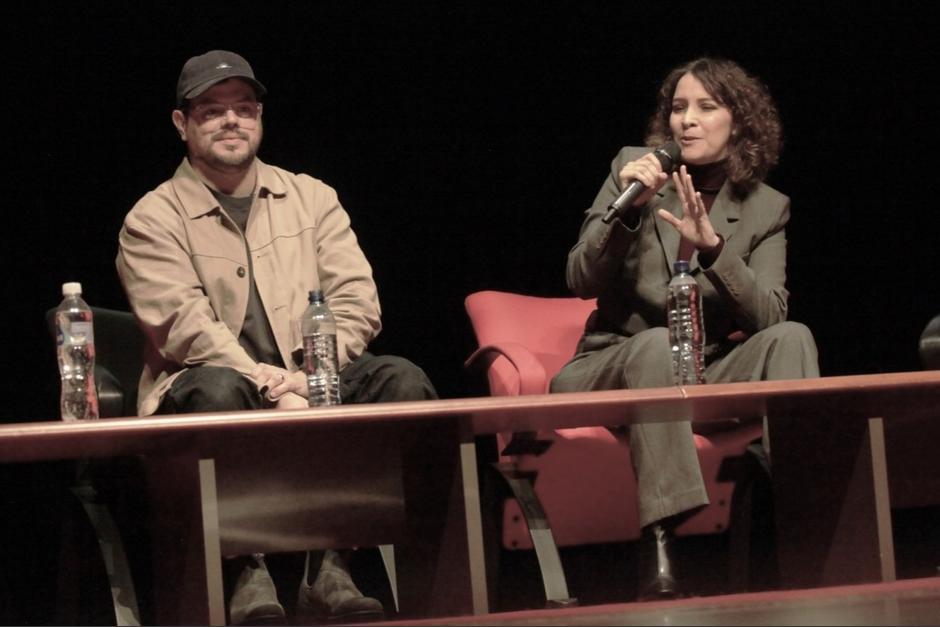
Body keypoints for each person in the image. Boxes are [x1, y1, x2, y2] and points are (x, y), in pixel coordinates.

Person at [116, 50, 438, 625]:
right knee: (217, 391)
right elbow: (184, 325)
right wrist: (271, 388)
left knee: (402, 379)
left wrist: (308, 381)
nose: (231, 121)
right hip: (216, 383)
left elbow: (357, 302)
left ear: (260, 116)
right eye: (212, 111)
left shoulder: (312, 197)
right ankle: (243, 568)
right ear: (181, 124)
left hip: (307, 374)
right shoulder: (152, 217)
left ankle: (337, 561)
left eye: (243, 108)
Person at [550, 57, 819, 600]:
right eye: (677, 108)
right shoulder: (632, 168)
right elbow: (579, 278)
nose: (686, 121)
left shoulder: (767, 206)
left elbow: (770, 316)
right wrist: (629, 213)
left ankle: (810, 519)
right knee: (652, 345)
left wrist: (715, 249)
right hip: (611, 363)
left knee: (793, 338)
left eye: (705, 107)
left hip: (703, 369)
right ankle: (661, 541)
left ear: (739, 123)